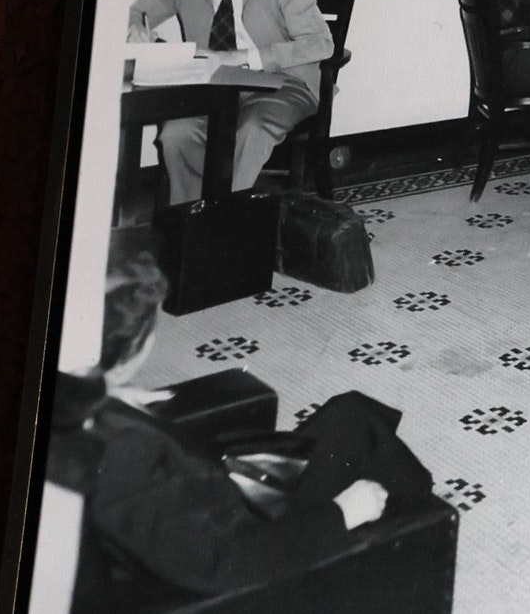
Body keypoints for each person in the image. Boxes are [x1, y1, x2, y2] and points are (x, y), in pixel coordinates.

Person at [51, 238, 433, 599]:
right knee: (360, 428)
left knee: (350, 411)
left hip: (209, 494)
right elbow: (226, 564)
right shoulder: (125, 456)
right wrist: (342, 513)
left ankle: (416, 504)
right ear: (129, 349)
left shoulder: (62, 405)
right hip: (248, 538)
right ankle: (424, 524)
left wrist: (107, 396)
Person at [128, 0, 334, 204]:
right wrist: (135, 26)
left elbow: (321, 44)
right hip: (211, 84)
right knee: (176, 133)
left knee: (253, 130)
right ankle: (191, 219)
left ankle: (226, 218)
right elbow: (137, 12)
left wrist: (243, 57)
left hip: (282, 83)